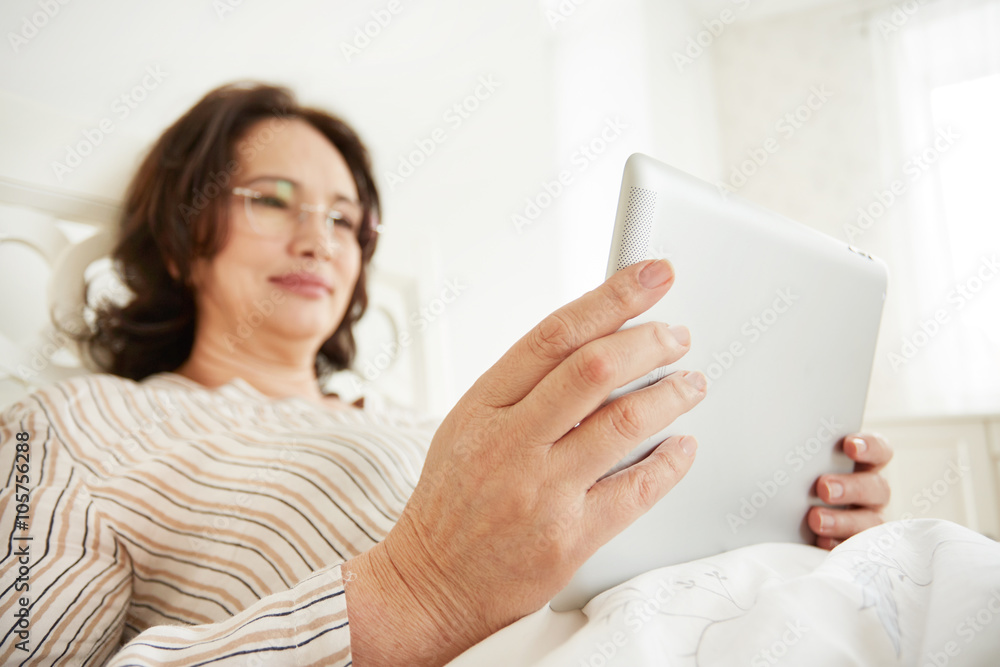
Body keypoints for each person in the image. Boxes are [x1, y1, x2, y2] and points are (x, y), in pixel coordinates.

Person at [0, 81, 893, 666]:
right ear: (177, 235)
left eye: (347, 220)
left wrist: (786, 520)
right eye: (273, 200)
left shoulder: (424, 424)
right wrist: (414, 592)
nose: (320, 236)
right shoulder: (73, 424)